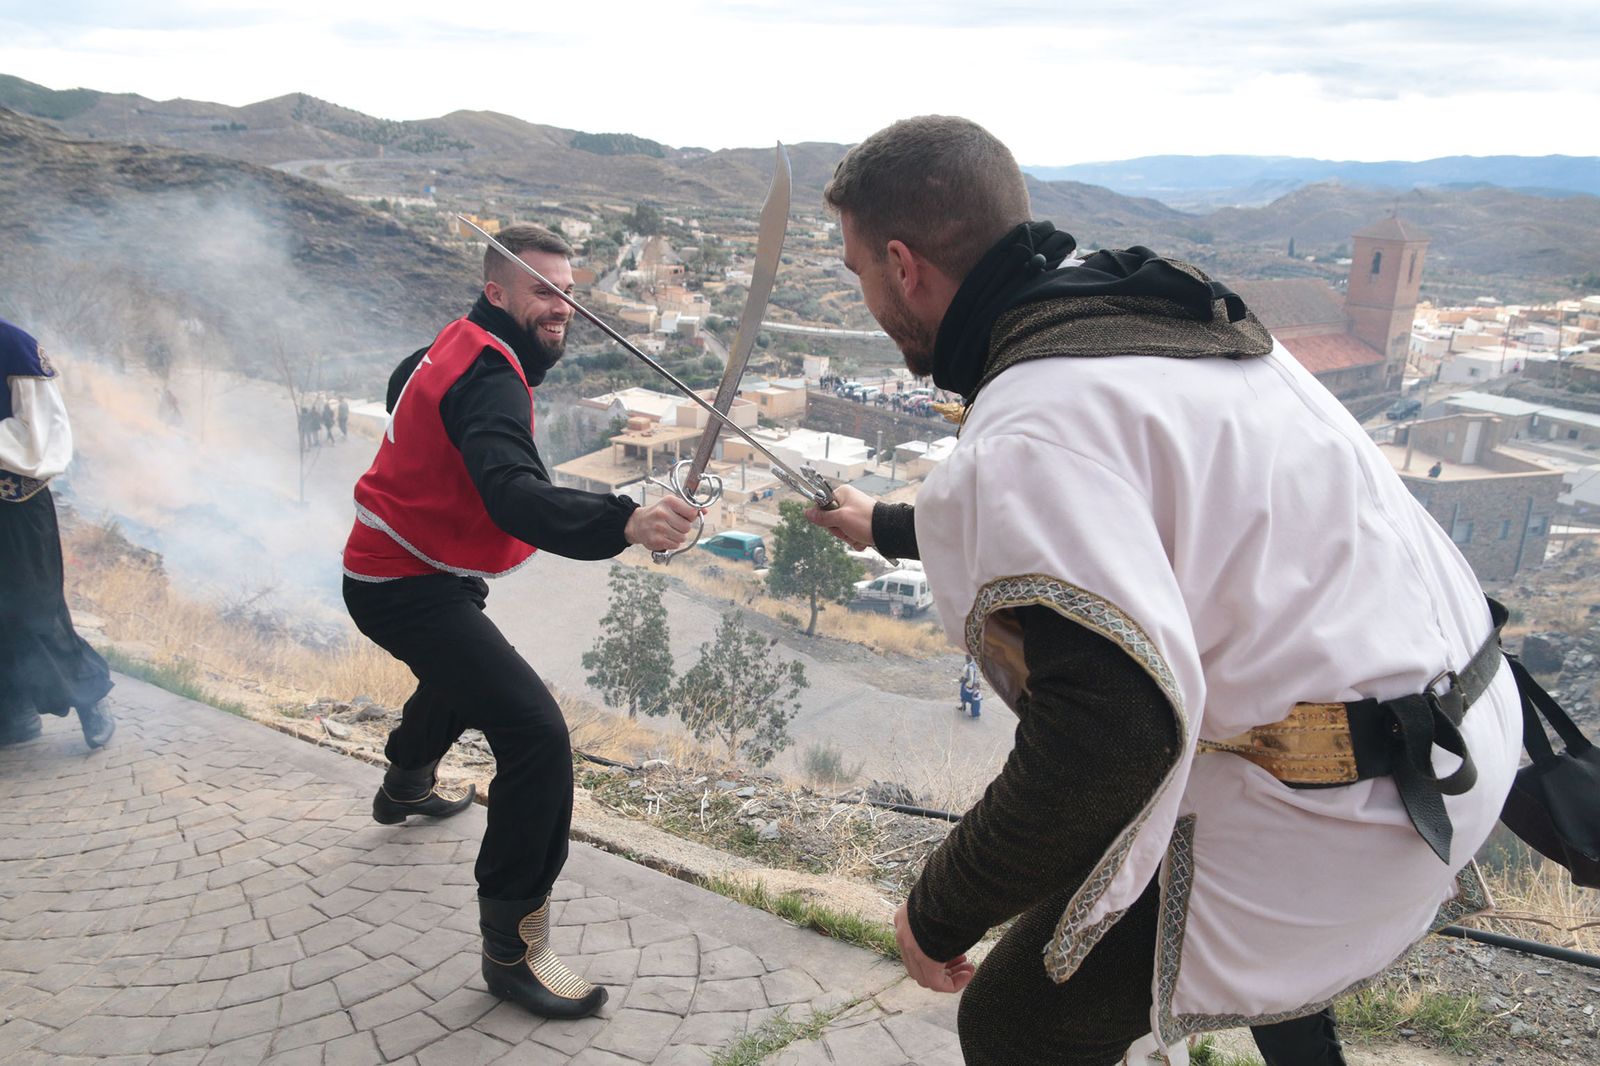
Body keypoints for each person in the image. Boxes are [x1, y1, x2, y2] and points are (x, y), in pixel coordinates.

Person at [806, 117, 1520, 1066]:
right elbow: (1127, 511)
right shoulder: (1135, 313)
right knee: (1215, 879)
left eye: (856, 272)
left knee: (1022, 1019)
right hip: (1458, 731)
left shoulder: (1032, 420)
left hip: (1355, 805)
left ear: (902, 264)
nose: (862, 296)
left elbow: (1107, 741)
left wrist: (938, 913)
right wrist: (886, 524)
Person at [341, 223, 698, 1020]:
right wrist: (624, 522)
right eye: (544, 290)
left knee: (465, 672)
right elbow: (512, 492)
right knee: (535, 735)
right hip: (405, 584)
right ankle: (513, 949)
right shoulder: (492, 378)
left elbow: (407, 385)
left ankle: (404, 783)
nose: (561, 307)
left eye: (569, 292)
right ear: (498, 291)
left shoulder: (458, 340)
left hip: (414, 572)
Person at [0, 317, 115, 749]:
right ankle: (13, 715)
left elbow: (41, 440)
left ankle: (90, 696)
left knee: (33, 611)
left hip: (13, 507)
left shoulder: (13, 346)